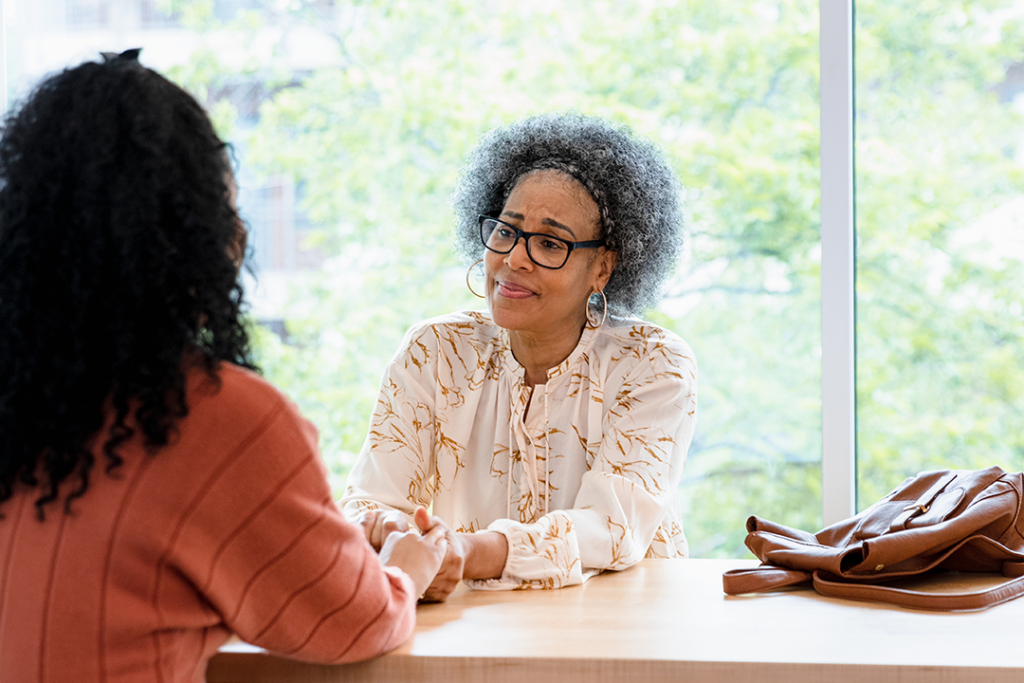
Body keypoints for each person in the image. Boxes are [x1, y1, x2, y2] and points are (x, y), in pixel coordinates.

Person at [0, 51, 446, 683]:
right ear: (199, 232)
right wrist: (407, 567)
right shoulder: (214, 417)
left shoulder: (24, 403)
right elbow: (353, 620)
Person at [342, 112, 697, 600]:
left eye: (550, 243)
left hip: (619, 636)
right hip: (466, 635)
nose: (514, 259)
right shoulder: (435, 352)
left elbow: (610, 529)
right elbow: (367, 502)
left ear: (603, 267)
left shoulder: (652, 365)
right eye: (506, 231)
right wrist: (390, 530)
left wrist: (464, 553)